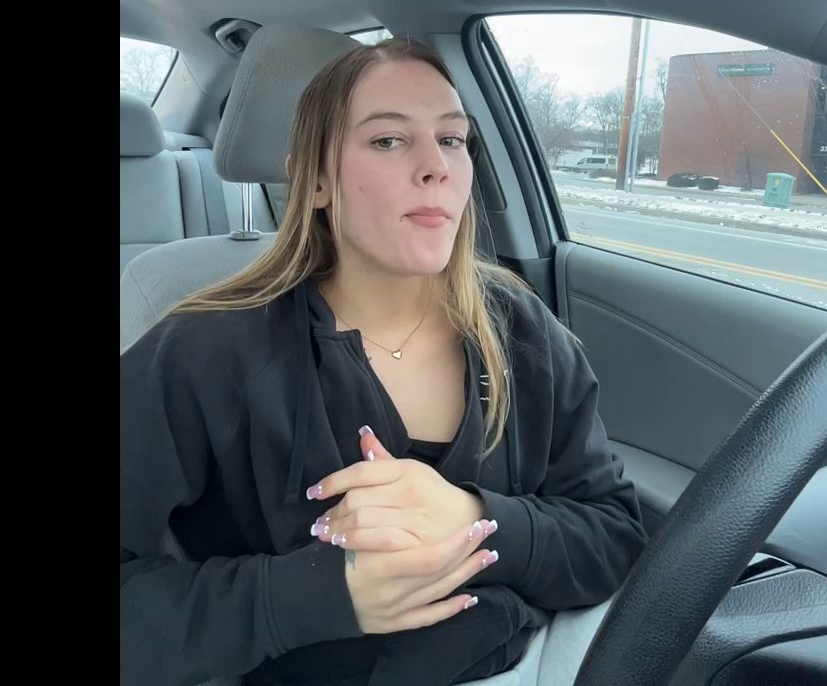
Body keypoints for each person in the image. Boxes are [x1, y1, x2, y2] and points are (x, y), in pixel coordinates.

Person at [120, 38, 647, 686]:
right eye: (388, 140)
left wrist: (475, 520)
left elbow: (615, 535)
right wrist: (310, 596)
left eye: (452, 139)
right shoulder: (206, 352)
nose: (436, 167)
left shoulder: (522, 333)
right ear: (315, 179)